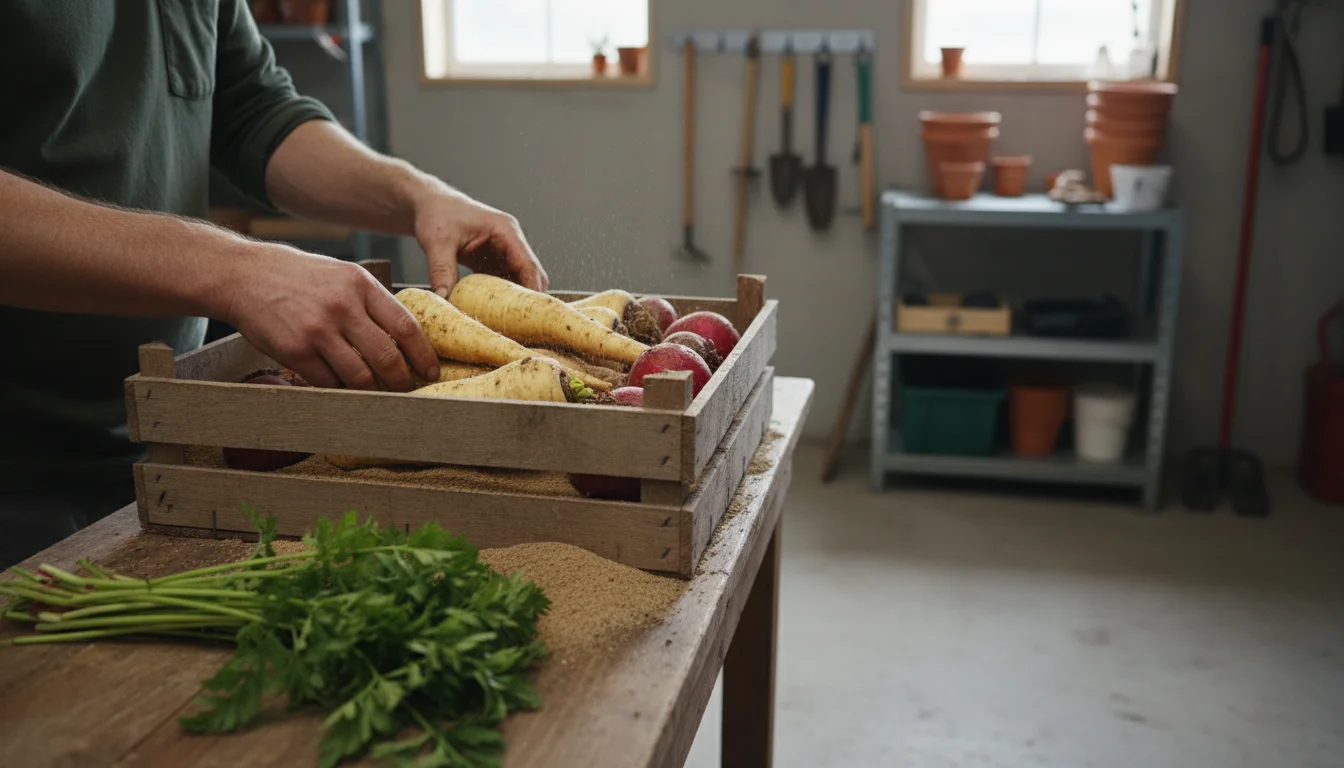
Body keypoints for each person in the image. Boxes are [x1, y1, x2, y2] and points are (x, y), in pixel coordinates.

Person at [0, 2, 548, 568]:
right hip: (20, 470)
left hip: (175, 439)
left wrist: (417, 196)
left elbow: (251, 109)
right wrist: (231, 268)